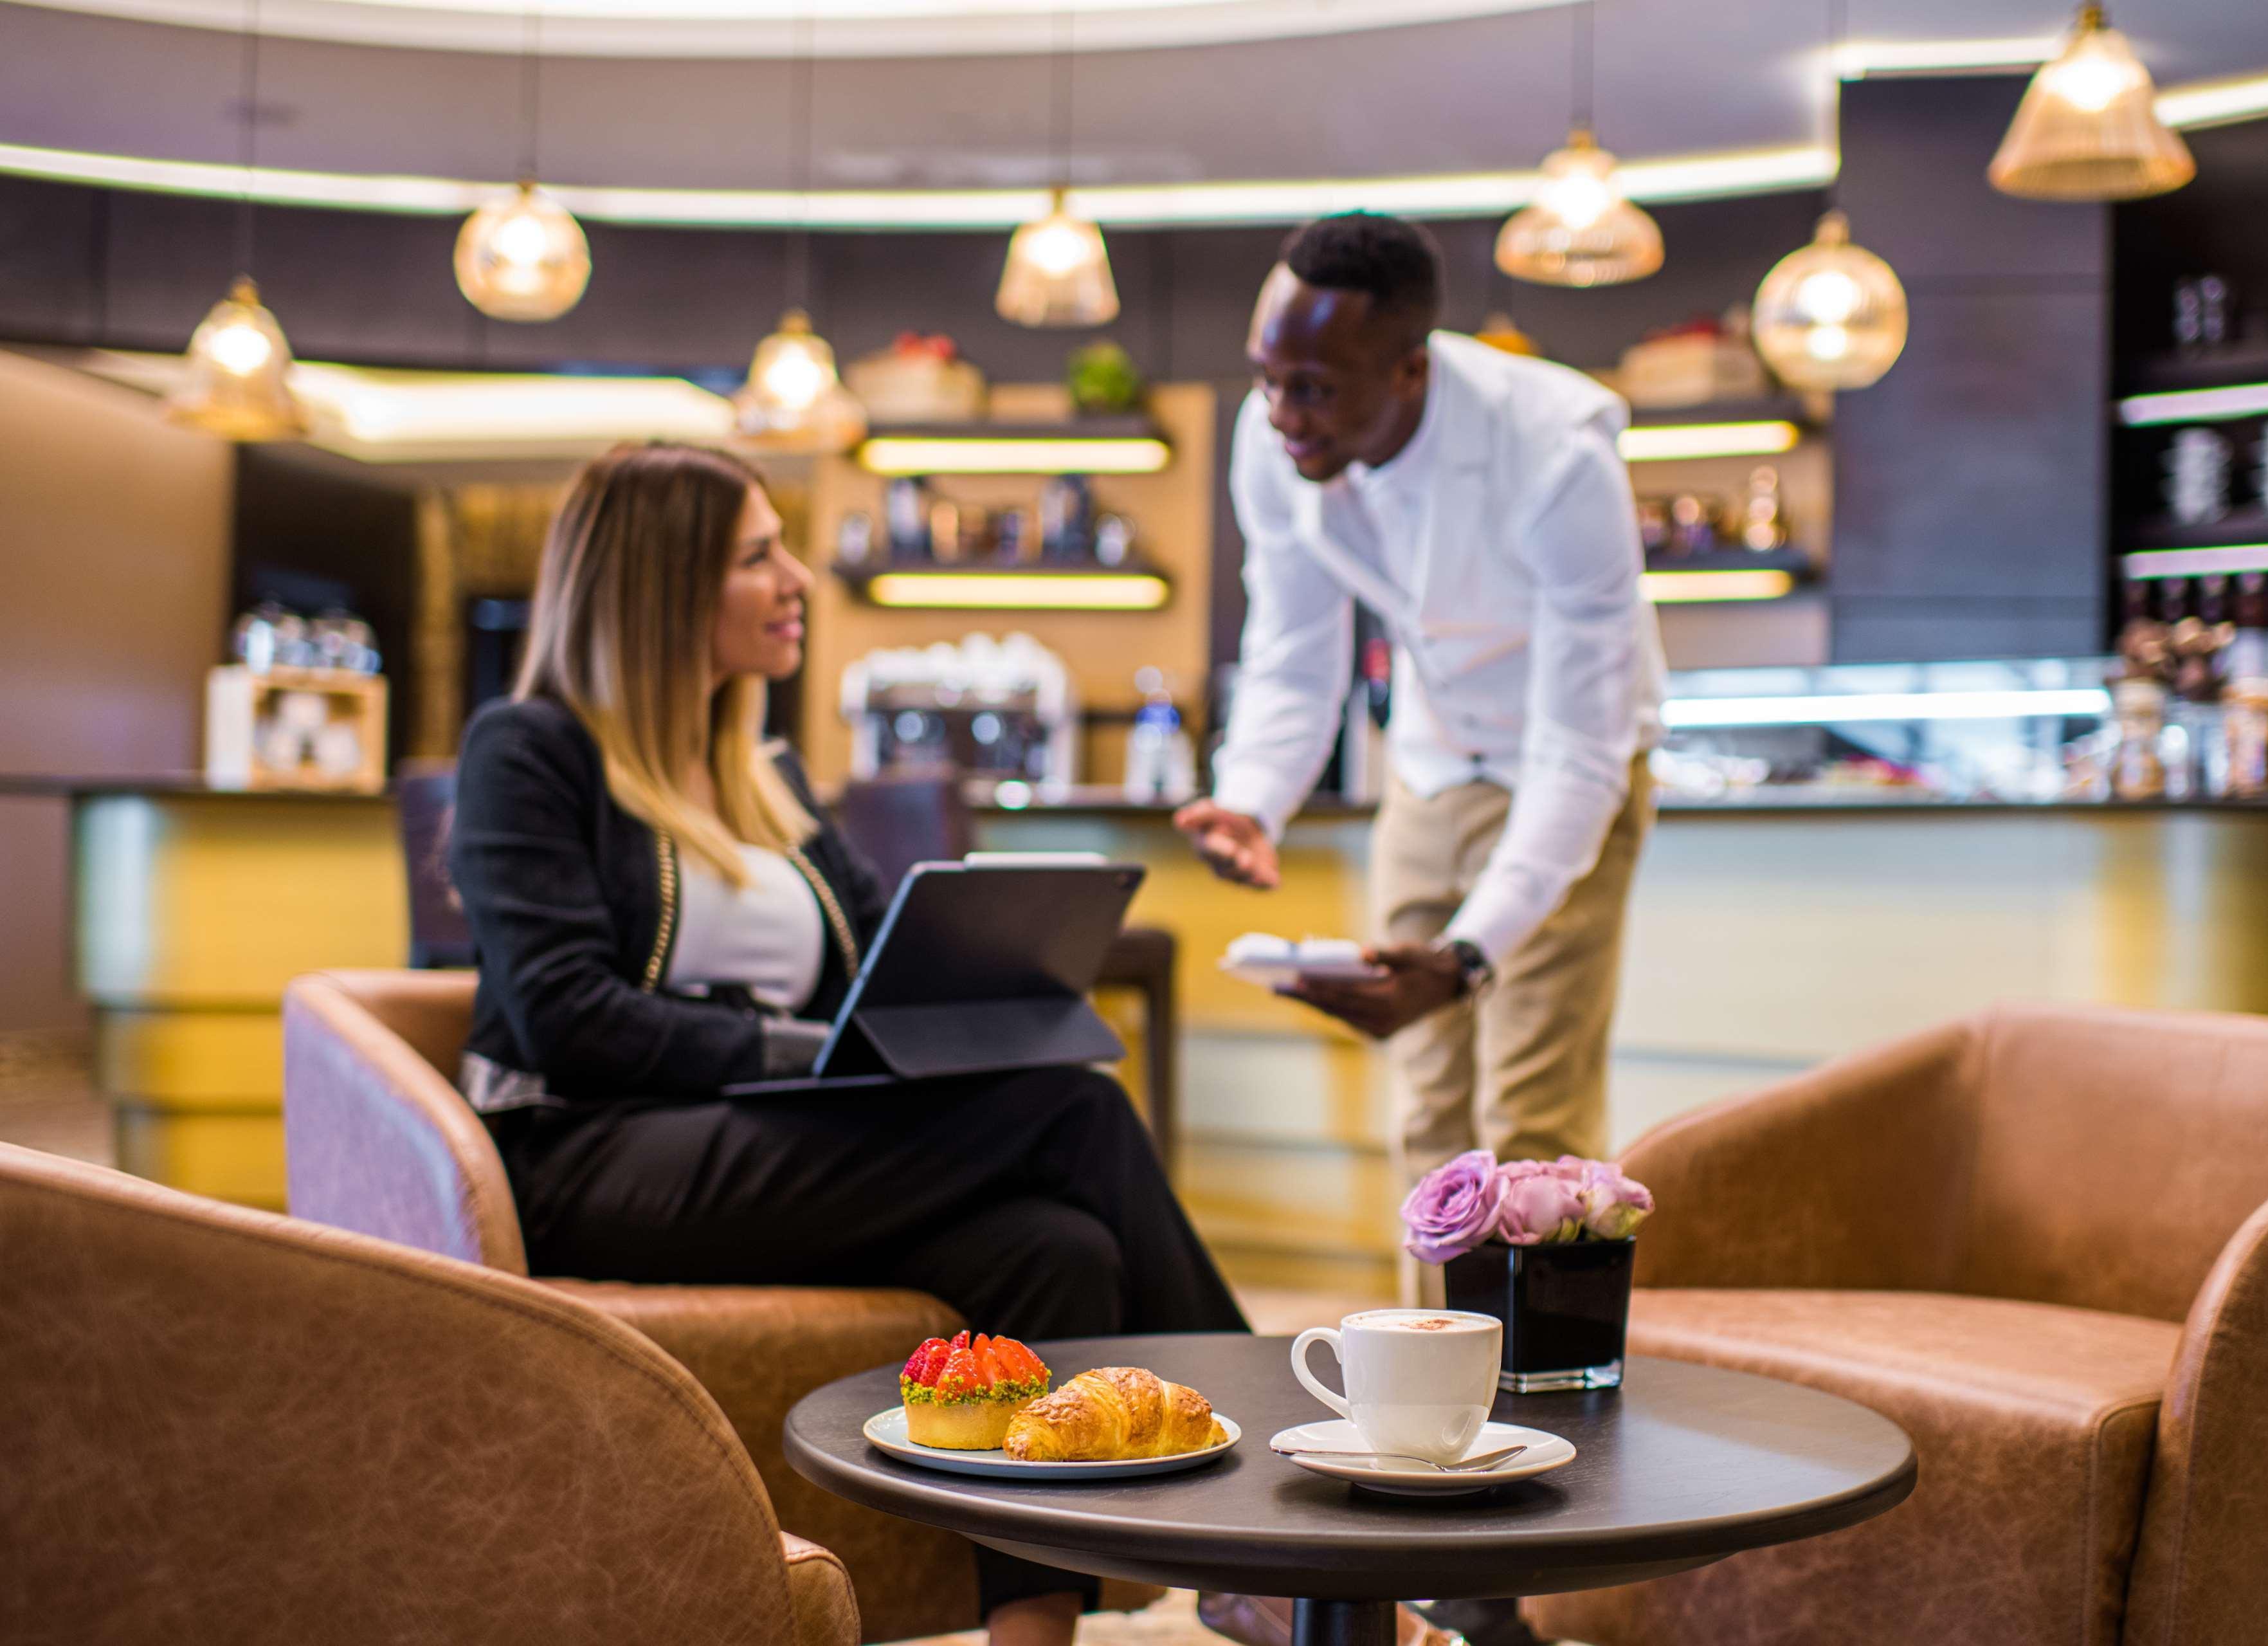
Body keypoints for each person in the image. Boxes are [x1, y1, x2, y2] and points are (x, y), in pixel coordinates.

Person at [449, 442, 1248, 1646]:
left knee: (1056, 1246)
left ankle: (1036, 1636)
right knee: (1074, 1113)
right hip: (583, 1149)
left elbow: (881, 958)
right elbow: (569, 1011)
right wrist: (803, 1054)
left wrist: (975, 985)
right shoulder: (531, 752)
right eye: (759, 556)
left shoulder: (764, 775)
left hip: (758, 1136)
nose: (800, 580)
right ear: (661, 585)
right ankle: (1265, 1526)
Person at [1176, 214, 1667, 1304]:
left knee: (1532, 1124)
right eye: (1267, 381)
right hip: (1433, 761)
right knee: (1430, 1119)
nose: (1280, 416)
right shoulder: (1280, 443)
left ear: (1409, 369)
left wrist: (1471, 954)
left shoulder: (1554, 457)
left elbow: (1583, 750)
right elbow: (1298, 652)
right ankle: (1430, 1401)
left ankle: (1549, 1414)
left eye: (1312, 389)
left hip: (1564, 772)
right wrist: (1253, 798)